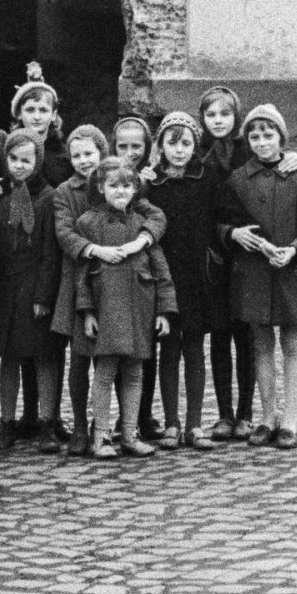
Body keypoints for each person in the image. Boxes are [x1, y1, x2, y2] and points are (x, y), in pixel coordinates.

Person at [198, 85, 297, 442]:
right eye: (211, 115)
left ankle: (270, 417)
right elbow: (208, 212)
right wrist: (230, 233)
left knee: (269, 340)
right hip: (226, 261)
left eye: (225, 115)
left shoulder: (261, 155)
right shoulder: (201, 155)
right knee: (232, 337)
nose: (218, 121)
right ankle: (242, 415)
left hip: (273, 264)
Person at [218, 104, 297, 450]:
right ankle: (267, 416)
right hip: (253, 273)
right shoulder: (237, 179)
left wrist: (294, 250)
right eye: (254, 135)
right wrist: (233, 233)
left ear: (281, 137)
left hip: (289, 272)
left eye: (268, 134)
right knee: (260, 345)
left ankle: (290, 419)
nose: (262, 141)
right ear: (247, 140)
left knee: (291, 344)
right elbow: (221, 218)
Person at [74, 157, 175, 460]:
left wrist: (164, 311)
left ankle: (130, 433)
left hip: (139, 310)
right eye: (113, 186)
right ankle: (101, 436)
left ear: (135, 189)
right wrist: (87, 312)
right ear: (100, 188)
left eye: (127, 186)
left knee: (134, 374)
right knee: (104, 373)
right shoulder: (88, 223)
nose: (120, 192)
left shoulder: (141, 226)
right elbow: (81, 274)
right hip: (105, 310)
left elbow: (161, 271)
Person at [148, 112, 223, 451]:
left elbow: (223, 217)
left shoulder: (207, 179)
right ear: (161, 146)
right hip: (164, 276)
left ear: (195, 146)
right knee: (169, 349)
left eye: (186, 143)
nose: (179, 150)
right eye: (172, 143)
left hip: (197, 275)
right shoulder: (152, 184)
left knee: (195, 349)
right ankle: (171, 423)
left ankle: (194, 424)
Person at [0, 129, 63, 453]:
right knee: (9, 358)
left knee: (44, 356)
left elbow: (50, 254)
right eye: (14, 160)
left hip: (34, 288)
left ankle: (46, 422)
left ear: (38, 161)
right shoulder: (0, 198)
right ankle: (8, 421)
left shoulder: (48, 198)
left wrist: (43, 297)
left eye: (26, 160)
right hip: (7, 289)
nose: (19, 166)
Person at [49, 125, 110, 457]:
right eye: (77, 155)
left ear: (102, 152)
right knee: (79, 358)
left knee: (109, 356)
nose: (84, 160)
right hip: (78, 277)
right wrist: (93, 250)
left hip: (113, 279)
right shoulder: (64, 192)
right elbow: (64, 232)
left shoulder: (112, 181)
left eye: (90, 153)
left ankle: (105, 425)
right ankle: (79, 427)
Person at [110, 114, 160, 438]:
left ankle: (143, 414)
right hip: (118, 264)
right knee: (120, 346)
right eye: (122, 146)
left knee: (147, 347)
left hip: (150, 265)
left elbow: (157, 214)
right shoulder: (112, 177)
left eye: (136, 146)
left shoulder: (155, 175)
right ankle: (122, 417)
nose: (130, 152)